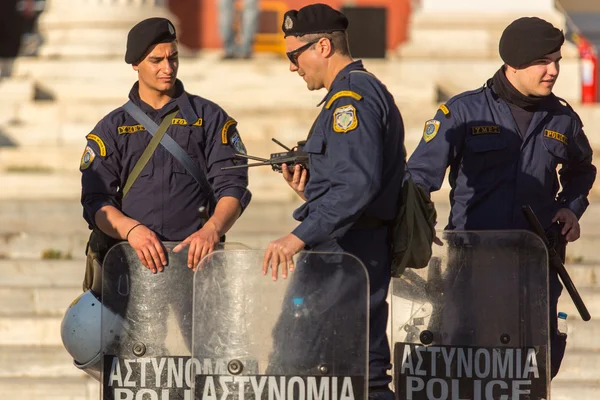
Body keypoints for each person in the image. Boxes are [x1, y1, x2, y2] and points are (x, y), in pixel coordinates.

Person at [407, 17, 596, 379]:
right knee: (464, 369)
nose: (553, 70)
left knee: (528, 373)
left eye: (557, 60)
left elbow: (582, 171)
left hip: (535, 266)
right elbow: (418, 177)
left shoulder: (563, 119)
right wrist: (417, 225)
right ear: (513, 63)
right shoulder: (462, 113)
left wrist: (571, 209)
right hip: (471, 267)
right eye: (543, 61)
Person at [262, 4, 405, 399]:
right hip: (344, 252)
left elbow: (357, 186)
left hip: (347, 257)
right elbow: (350, 184)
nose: (293, 66)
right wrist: (309, 191)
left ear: (322, 46)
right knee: (339, 367)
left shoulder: (351, 100)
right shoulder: (351, 93)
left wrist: (297, 237)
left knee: (341, 369)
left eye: (295, 55)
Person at [80, 17, 251, 276]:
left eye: (173, 58)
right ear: (135, 64)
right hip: (130, 263)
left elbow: (233, 186)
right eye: (156, 60)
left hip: (197, 264)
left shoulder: (210, 118)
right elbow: (95, 201)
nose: (168, 68)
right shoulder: (112, 127)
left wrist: (212, 230)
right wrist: (131, 230)